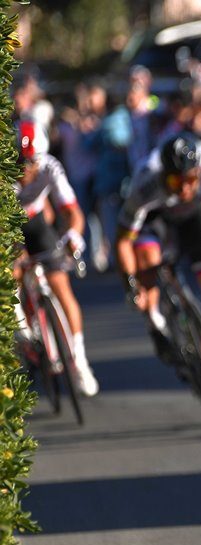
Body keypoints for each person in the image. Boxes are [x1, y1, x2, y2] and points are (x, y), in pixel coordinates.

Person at [114, 132, 201, 404]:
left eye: (190, 180)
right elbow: (123, 241)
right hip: (154, 218)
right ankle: (155, 322)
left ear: (198, 171)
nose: (183, 189)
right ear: (164, 175)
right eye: (175, 181)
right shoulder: (146, 180)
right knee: (147, 259)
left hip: (193, 216)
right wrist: (131, 285)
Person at [14, 121, 99, 397]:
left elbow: (72, 210)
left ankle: (80, 361)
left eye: (32, 165)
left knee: (60, 284)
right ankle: (21, 327)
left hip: (36, 221)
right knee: (11, 272)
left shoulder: (50, 166)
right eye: (20, 164)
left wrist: (74, 235)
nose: (26, 172)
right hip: (8, 225)